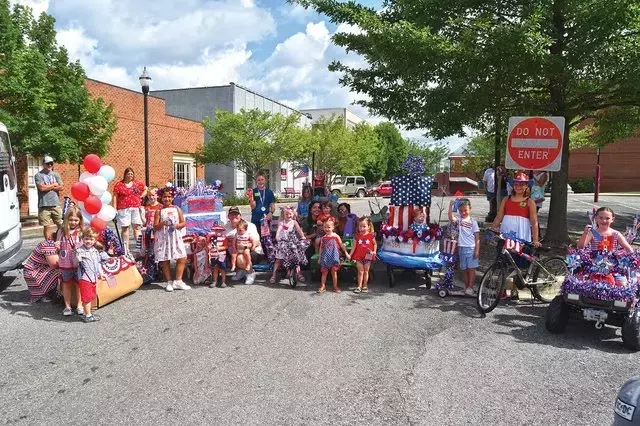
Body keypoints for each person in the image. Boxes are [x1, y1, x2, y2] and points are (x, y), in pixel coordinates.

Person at [491, 171, 540, 300]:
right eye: (516, 184)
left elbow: (534, 221)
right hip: (506, 233)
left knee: (517, 264)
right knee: (502, 261)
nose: (518, 187)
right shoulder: (506, 199)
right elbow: (499, 215)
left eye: (522, 184)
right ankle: (501, 290)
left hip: (521, 235)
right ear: (513, 185)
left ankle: (515, 290)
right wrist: (493, 228)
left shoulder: (530, 202)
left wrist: (535, 239)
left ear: (526, 186)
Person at [153, 186, 190, 292]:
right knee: (165, 260)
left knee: (182, 257)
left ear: (172, 198)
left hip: (175, 237)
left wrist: (177, 225)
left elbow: (183, 222)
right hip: (164, 237)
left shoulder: (177, 209)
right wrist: (162, 223)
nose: (167, 199)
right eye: (164, 197)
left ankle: (178, 281)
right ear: (161, 198)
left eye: (169, 197)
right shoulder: (159, 211)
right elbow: (155, 227)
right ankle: (169, 282)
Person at [75, 228, 110, 323]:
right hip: (85, 278)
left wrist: (101, 273)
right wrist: (77, 259)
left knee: (90, 296)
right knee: (86, 297)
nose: (88, 241)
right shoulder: (79, 251)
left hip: (93, 277)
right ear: (82, 239)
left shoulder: (95, 251)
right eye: (86, 239)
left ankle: (88, 312)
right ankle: (88, 315)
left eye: (91, 239)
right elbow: (76, 263)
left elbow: (98, 263)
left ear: (95, 240)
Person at [448, 198, 480, 296]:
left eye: (465, 210)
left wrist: (477, 250)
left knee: (471, 269)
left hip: (471, 248)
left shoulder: (473, 222)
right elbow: (450, 217)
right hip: (461, 248)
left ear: (470, 209)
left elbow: (477, 237)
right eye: (461, 211)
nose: (463, 212)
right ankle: (466, 288)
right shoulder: (459, 220)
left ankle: (470, 287)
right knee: (465, 269)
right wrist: (450, 206)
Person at [56, 205, 84, 316]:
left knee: (79, 285)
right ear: (67, 219)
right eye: (71, 219)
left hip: (78, 263)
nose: (73, 222)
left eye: (76, 220)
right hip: (65, 262)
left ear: (80, 220)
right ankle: (67, 306)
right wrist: (56, 245)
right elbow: (57, 245)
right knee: (66, 284)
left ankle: (80, 305)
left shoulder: (81, 231)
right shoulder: (62, 231)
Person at [113, 167, 148, 254]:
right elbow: (115, 196)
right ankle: (126, 249)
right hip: (124, 209)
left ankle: (140, 248)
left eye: (131, 174)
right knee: (125, 228)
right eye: (128, 174)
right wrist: (114, 208)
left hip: (135, 208)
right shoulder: (119, 184)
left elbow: (145, 189)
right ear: (125, 174)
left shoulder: (137, 183)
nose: (130, 176)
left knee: (137, 228)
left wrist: (141, 196)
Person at [270, 206, 309, 284]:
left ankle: (299, 273)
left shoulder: (294, 222)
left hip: (292, 241)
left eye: (290, 214)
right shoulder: (282, 222)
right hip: (283, 241)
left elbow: (298, 230)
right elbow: (279, 230)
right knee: (278, 259)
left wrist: (302, 236)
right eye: (286, 214)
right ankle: (273, 275)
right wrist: (277, 236)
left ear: (293, 214)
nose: (288, 216)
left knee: (296, 258)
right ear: (283, 215)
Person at [225, 206, 262, 285]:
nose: (234, 216)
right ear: (228, 216)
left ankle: (250, 273)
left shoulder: (250, 226)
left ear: (240, 216)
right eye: (231, 214)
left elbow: (256, 243)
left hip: (251, 251)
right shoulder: (226, 227)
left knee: (241, 257)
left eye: (236, 214)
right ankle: (240, 270)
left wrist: (244, 246)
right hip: (234, 250)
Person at [34, 156, 64, 240]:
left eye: (51, 163)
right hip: (44, 205)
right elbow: (41, 188)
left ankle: (62, 241)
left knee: (61, 225)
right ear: (43, 164)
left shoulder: (56, 174)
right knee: (47, 227)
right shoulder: (38, 175)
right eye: (48, 163)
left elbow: (61, 187)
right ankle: (49, 244)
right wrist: (54, 185)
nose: (50, 165)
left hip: (56, 204)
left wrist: (48, 187)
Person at [318, 218, 351, 293]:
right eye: (325, 227)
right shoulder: (323, 238)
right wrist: (320, 257)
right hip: (325, 257)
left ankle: (335, 286)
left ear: (333, 228)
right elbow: (321, 248)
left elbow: (342, 245)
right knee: (324, 272)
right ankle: (322, 285)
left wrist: (346, 253)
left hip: (334, 256)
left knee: (334, 272)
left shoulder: (336, 236)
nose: (327, 229)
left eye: (329, 227)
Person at [349, 217, 377, 294]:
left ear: (368, 227)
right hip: (358, 257)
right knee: (360, 271)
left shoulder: (371, 236)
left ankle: (365, 285)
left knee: (366, 271)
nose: (362, 228)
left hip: (368, 256)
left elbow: (375, 244)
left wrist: (374, 251)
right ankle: (359, 286)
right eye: (360, 226)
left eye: (364, 226)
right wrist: (350, 255)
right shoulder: (357, 236)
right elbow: (354, 247)